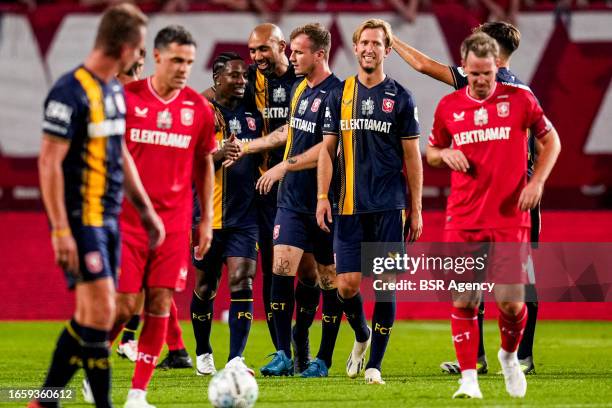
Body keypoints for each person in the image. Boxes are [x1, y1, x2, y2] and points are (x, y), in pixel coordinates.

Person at [32, 4, 162, 408]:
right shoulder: (69, 91)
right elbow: (49, 162)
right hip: (80, 218)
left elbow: (120, 152)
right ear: (123, 47)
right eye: (139, 49)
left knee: (95, 317)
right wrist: (59, 230)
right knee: (103, 309)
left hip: (109, 219)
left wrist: (145, 210)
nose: (141, 57)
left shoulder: (113, 93)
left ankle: (44, 401)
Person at [393, 21, 541, 375]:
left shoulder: (485, 83)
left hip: (495, 198)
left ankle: (485, 358)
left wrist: (391, 38)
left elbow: (424, 65)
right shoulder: (524, 89)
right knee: (519, 276)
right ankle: (520, 356)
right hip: (521, 195)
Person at [427, 32, 561, 399]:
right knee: (464, 299)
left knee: (511, 304)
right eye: (474, 74)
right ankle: (468, 380)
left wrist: (537, 183)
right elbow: (432, 149)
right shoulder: (449, 106)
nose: (481, 81)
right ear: (465, 68)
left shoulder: (520, 100)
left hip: (508, 216)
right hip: (463, 215)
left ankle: (509, 356)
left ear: (496, 66)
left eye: (487, 73)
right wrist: (443, 155)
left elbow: (552, 141)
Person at [110, 25, 216, 408]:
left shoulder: (198, 109)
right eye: (176, 60)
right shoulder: (126, 100)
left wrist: (205, 220)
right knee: (123, 306)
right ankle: (93, 367)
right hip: (128, 222)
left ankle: (137, 394)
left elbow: (205, 163)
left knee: (158, 303)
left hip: (173, 226)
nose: (184, 68)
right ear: (155, 57)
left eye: (188, 61)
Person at [316, 18, 423, 385]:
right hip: (346, 206)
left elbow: (413, 159)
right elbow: (327, 152)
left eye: (377, 44)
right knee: (345, 286)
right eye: (363, 43)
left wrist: (417, 209)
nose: (369, 49)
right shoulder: (338, 95)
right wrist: (321, 196)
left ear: (387, 50)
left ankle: (375, 364)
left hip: (389, 208)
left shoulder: (402, 98)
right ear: (355, 47)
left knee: (385, 284)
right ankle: (362, 334)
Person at [236, 23, 342, 377]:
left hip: (325, 199)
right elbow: (288, 132)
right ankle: (282, 353)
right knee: (280, 269)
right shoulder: (299, 89)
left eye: (297, 52)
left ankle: (322, 358)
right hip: (291, 199)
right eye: (291, 51)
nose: (291, 57)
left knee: (326, 279)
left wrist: (284, 165)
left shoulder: (338, 94)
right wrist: (251, 147)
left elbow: (329, 148)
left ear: (319, 54)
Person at [114, 47, 193, 372]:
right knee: (144, 289)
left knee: (149, 288)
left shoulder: (130, 97)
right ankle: (169, 347)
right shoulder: (125, 97)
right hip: (131, 207)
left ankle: (161, 348)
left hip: (149, 209)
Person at [190, 52, 263, 376]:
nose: (240, 81)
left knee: (242, 281)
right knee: (206, 286)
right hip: (208, 215)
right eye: (234, 75)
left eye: (244, 76)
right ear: (217, 77)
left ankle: (236, 358)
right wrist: (219, 154)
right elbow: (189, 163)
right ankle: (203, 350)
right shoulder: (202, 114)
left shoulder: (253, 115)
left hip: (244, 218)